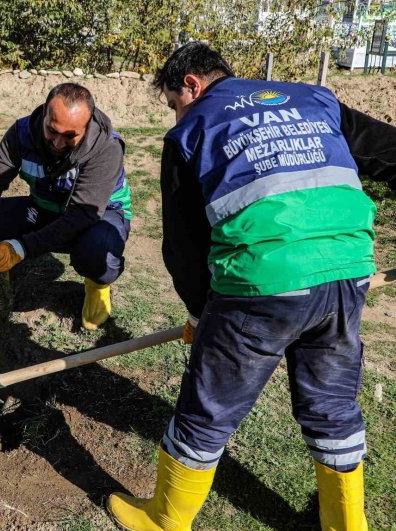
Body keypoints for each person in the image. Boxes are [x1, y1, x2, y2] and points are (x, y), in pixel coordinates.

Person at [107, 43, 396, 530]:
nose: (176, 112)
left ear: (193, 85)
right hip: (347, 272)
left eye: (175, 101)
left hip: (263, 284)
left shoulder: (193, 129)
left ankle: (164, 519)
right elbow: (389, 151)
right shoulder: (314, 98)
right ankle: (346, 525)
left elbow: (183, 246)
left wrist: (202, 316)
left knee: (209, 407)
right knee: (332, 405)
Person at [0, 83, 132, 329]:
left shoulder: (106, 148)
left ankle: (98, 285)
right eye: (52, 130)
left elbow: (80, 216)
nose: (57, 143)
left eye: (70, 136)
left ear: (87, 126)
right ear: (45, 112)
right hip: (44, 208)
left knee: (98, 251)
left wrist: (21, 247)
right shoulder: (21, 133)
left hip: (99, 216)